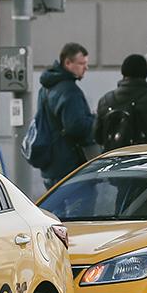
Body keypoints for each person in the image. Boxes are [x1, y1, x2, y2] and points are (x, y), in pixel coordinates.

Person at [93, 54, 147, 150]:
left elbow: (97, 136)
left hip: (115, 160)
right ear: (145, 73)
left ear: (123, 72)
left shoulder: (106, 100)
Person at [37, 42, 96, 188]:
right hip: (69, 167)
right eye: (82, 63)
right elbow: (76, 127)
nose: (86, 68)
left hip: (51, 164)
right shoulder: (70, 91)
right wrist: (95, 120)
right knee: (81, 209)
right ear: (68, 63)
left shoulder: (46, 88)